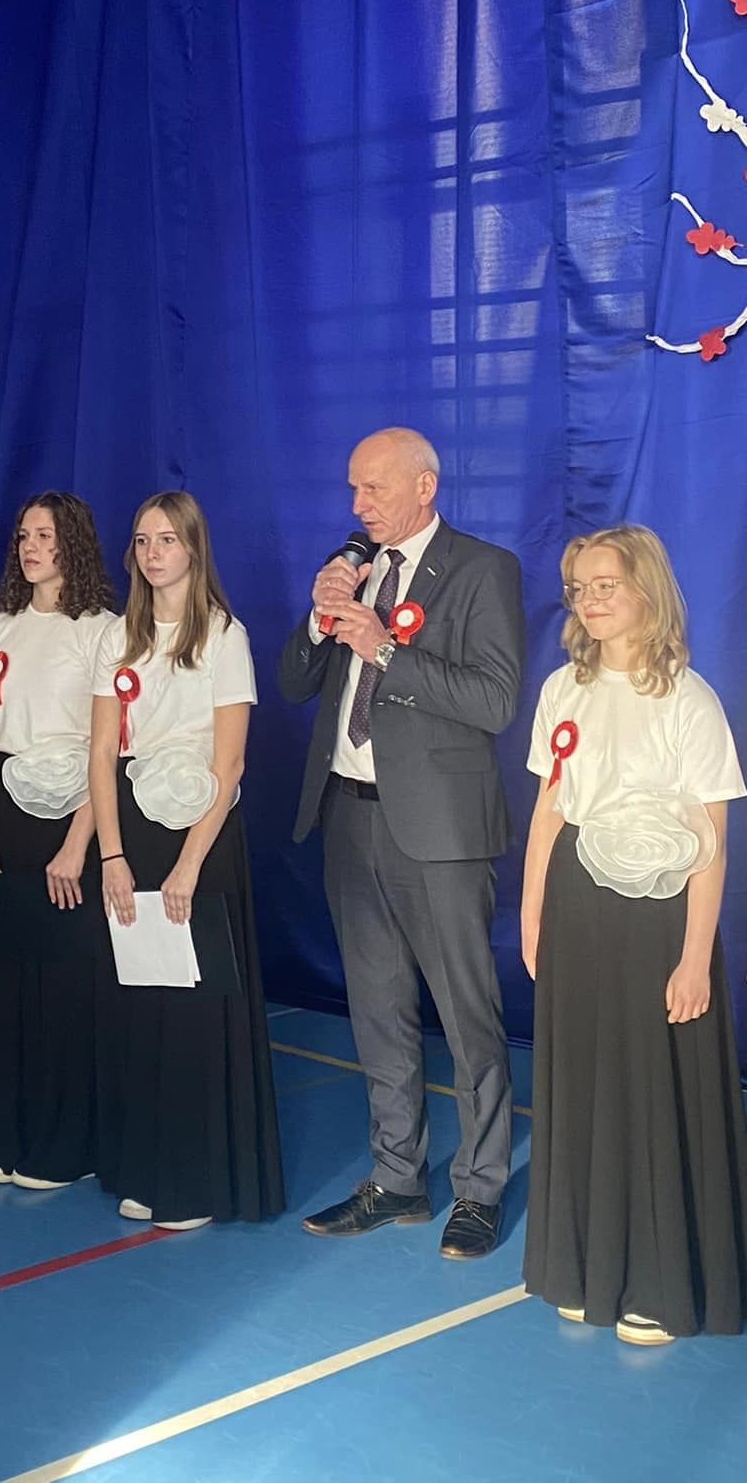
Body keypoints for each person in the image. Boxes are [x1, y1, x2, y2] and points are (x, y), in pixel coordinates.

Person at [278, 427, 522, 1259]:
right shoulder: (355, 571)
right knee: (378, 1010)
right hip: (350, 818)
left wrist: (382, 646)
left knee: (466, 1014)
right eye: (353, 488)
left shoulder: (482, 569)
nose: (358, 505)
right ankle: (397, 1178)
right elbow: (293, 681)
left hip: (441, 831)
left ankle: (480, 1188)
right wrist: (322, 621)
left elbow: (494, 701)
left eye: (373, 488)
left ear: (424, 486)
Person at [521, 525, 747, 1344]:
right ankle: (586, 1266)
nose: (589, 600)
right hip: (579, 909)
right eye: (579, 588)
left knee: (651, 1086)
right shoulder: (563, 690)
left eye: (606, 585)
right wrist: (532, 918)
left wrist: (694, 958)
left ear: (646, 590)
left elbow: (710, 841)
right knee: (586, 1081)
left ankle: (656, 1279)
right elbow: (549, 814)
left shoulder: (690, 699)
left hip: (658, 918)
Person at [89, 491, 284, 1232]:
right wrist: (112, 852)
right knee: (142, 1007)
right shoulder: (118, 637)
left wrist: (189, 865)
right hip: (134, 836)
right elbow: (102, 752)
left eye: (167, 540)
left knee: (198, 1009)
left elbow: (229, 766)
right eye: (142, 541)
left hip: (200, 838)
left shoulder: (225, 637)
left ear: (194, 548)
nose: (152, 553)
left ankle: (197, 1181)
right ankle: (147, 1167)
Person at [0, 492, 118, 1189]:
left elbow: (110, 746)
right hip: (5, 815)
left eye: (45, 536)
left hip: (69, 816)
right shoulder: (1, 626)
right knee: (4, 980)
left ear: (72, 544)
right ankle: (4, 1131)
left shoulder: (103, 631)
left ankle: (66, 1145)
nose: (30, 547)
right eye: (23, 535)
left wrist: (81, 840)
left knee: (64, 983)